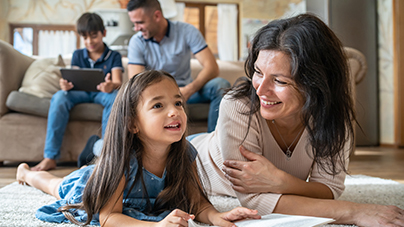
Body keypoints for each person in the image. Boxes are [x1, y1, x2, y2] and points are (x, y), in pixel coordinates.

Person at [189, 14, 404, 226]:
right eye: (258, 72)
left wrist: (280, 181)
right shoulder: (238, 106)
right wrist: (354, 212)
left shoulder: (332, 114)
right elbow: (255, 201)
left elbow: (328, 190)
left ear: (315, 84)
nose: (261, 90)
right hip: (189, 155)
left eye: (279, 81)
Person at [16, 70, 260, 226]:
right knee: (56, 186)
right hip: (95, 183)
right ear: (133, 124)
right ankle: (27, 173)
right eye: (158, 106)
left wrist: (218, 216)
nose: (174, 111)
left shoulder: (185, 154)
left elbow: (198, 203)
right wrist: (156, 226)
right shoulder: (124, 161)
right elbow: (108, 217)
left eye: (177, 102)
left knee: (57, 185)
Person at [31, 12, 123, 171]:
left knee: (115, 98)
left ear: (104, 33)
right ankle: (50, 157)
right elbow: (73, 79)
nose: (89, 41)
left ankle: (108, 154)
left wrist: (111, 86)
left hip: (103, 93)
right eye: (85, 37)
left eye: (94, 36)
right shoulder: (78, 54)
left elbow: (117, 82)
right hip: (81, 92)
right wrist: (66, 85)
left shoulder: (113, 55)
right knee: (60, 97)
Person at [126, 0, 230, 133]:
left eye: (140, 22)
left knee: (220, 84)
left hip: (186, 92)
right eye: (134, 23)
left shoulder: (187, 31)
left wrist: (188, 89)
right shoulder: (136, 42)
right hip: (157, 96)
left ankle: (214, 141)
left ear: (157, 16)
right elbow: (136, 82)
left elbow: (212, 67)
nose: (136, 28)